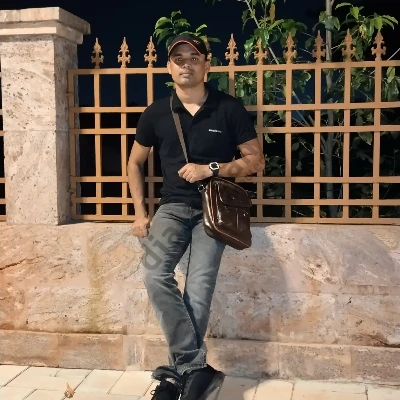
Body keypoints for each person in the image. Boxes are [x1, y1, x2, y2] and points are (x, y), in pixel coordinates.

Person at [127, 33, 265, 400]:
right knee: (155, 274)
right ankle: (193, 368)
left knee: (199, 288)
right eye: (179, 58)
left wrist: (212, 168)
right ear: (168, 67)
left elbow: (256, 161)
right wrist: (140, 213)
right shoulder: (156, 112)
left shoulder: (228, 108)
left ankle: (175, 379)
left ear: (207, 64)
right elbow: (134, 163)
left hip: (215, 209)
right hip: (172, 208)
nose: (186, 64)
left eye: (193, 57)